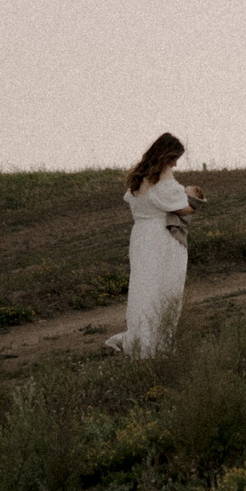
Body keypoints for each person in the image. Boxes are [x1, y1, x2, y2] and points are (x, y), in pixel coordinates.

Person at [103, 131, 200, 356]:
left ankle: (140, 337)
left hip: (141, 236)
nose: (176, 164)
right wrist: (196, 202)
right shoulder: (164, 183)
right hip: (160, 238)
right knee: (164, 288)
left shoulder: (139, 179)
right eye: (175, 158)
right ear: (166, 157)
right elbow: (184, 207)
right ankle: (156, 343)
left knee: (143, 287)